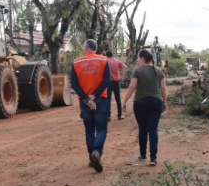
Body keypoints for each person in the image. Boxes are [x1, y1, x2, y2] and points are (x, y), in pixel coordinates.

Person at [70, 39, 111, 172]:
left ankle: (91, 158)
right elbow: (106, 80)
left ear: (86, 47)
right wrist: (94, 96)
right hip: (100, 100)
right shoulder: (104, 60)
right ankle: (97, 152)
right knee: (101, 130)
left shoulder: (76, 62)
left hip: (84, 102)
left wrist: (87, 99)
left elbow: (74, 85)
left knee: (89, 130)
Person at [121, 49, 167, 166]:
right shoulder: (159, 71)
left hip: (140, 102)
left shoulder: (137, 70)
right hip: (156, 102)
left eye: (138, 58)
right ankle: (153, 158)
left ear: (142, 58)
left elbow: (132, 87)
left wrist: (124, 101)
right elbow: (163, 88)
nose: (137, 60)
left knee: (143, 129)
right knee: (153, 130)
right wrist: (164, 102)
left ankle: (142, 155)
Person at [104, 50, 128, 120]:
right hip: (117, 82)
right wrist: (122, 77)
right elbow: (125, 67)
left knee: (108, 99)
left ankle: (108, 116)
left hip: (108, 82)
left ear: (106, 55)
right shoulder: (117, 61)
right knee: (118, 99)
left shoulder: (105, 61)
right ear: (112, 55)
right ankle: (119, 115)